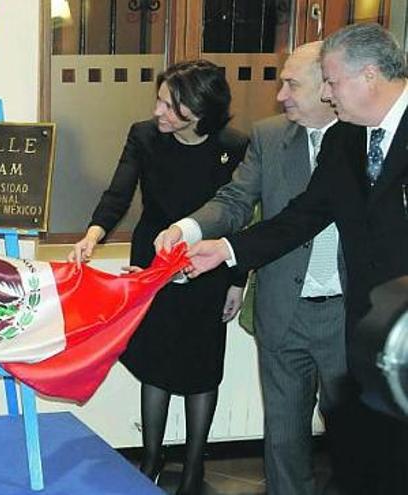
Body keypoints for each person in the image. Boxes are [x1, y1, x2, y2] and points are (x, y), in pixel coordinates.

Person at [184, 23, 408, 495]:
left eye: (331, 81)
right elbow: (302, 216)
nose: (327, 94)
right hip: (368, 328)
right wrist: (226, 251)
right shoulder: (347, 140)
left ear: (368, 75)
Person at [155, 42, 347, 495]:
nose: (280, 94)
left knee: (355, 444)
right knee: (283, 441)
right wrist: (188, 229)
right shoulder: (269, 136)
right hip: (283, 311)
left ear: (328, 88)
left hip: (350, 313)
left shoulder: (366, 139)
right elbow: (235, 201)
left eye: (292, 84)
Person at [69, 60, 247, 494]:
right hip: (151, 262)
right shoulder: (144, 136)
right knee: (156, 360)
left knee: (203, 366)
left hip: (207, 265)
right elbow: (118, 193)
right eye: (160, 100)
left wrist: (238, 279)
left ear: (199, 111)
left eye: (170, 105)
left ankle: (193, 467)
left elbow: (242, 214)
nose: (158, 111)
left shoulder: (234, 144)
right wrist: (92, 237)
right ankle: (151, 457)